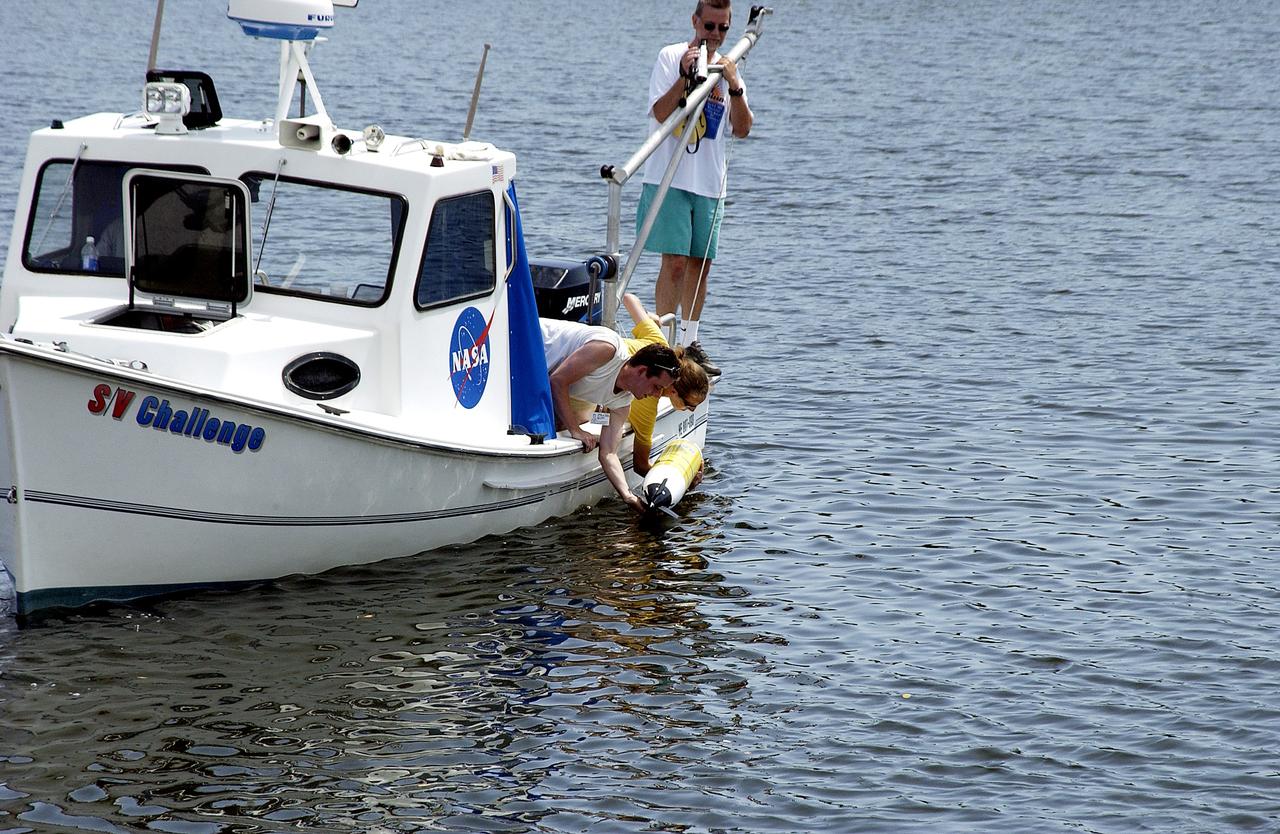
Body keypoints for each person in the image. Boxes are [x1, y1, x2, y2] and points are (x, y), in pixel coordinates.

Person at [636, 0, 754, 378]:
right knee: (673, 264)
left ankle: (690, 343)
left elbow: (743, 128)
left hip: (708, 183)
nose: (715, 35)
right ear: (695, 22)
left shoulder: (729, 65)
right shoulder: (671, 56)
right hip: (670, 178)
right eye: (709, 27)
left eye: (722, 28)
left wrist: (733, 87)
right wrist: (684, 76)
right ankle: (664, 347)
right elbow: (659, 113)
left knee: (701, 268)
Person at [543, 315, 680, 513]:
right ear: (642, 371)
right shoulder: (608, 349)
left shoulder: (623, 403)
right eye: (657, 387)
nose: (656, 395)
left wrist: (628, 496)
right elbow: (557, 381)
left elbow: (608, 453)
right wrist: (575, 430)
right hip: (522, 336)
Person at [620, 294, 710, 478]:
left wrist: (652, 318)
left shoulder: (659, 342)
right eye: (689, 405)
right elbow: (640, 466)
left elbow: (629, 299)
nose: (691, 411)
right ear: (674, 391)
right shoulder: (646, 403)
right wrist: (685, 477)